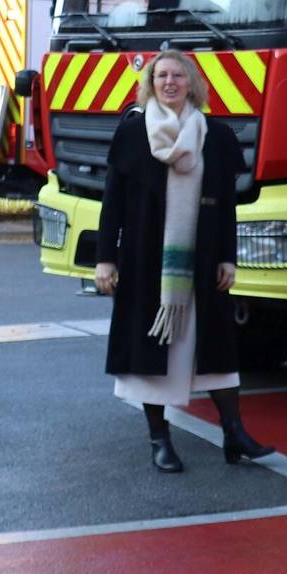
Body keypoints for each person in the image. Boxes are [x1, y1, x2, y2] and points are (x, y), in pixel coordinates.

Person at [96, 49, 272, 472]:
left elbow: (228, 205)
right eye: (161, 77)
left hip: (204, 260)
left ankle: (235, 435)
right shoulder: (134, 134)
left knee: (215, 352)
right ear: (150, 84)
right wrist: (105, 260)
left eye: (178, 75)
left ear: (192, 83)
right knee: (152, 356)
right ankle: (160, 441)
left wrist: (228, 258)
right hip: (145, 265)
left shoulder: (216, 135)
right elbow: (112, 204)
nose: (170, 83)